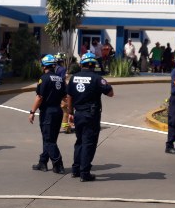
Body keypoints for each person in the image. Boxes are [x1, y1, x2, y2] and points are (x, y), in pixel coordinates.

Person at [66, 52, 114, 182]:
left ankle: (75, 170)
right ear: (94, 65)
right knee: (89, 143)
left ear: (82, 64)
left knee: (79, 142)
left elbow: (69, 96)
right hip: (91, 115)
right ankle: (84, 172)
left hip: (78, 114)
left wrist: (70, 113)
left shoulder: (73, 78)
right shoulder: (97, 78)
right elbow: (110, 93)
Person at [28, 55, 67, 174]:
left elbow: (39, 97)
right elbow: (65, 96)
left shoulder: (44, 78)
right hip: (58, 111)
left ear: (44, 66)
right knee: (50, 138)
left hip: (48, 112)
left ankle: (58, 164)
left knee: (49, 140)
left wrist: (32, 112)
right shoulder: (60, 78)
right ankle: (43, 162)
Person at [55, 53, 73, 134]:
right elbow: (62, 80)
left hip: (54, 92)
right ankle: (66, 127)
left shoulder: (54, 68)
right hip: (62, 92)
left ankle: (54, 127)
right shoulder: (62, 69)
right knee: (65, 110)